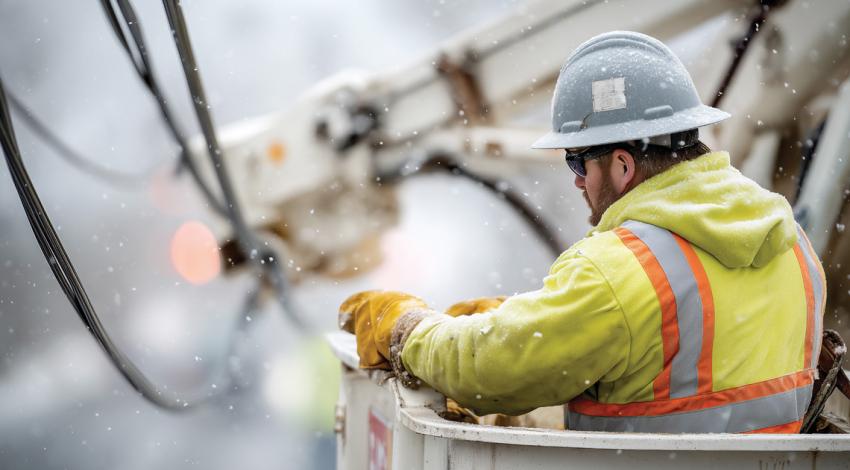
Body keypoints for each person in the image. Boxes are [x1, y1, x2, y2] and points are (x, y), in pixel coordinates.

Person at [338, 31, 826, 433]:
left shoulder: (620, 270)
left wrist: (408, 331)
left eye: (577, 159)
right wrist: (522, 318)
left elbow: (488, 371)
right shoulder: (791, 243)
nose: (574, 179)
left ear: (621, 164)